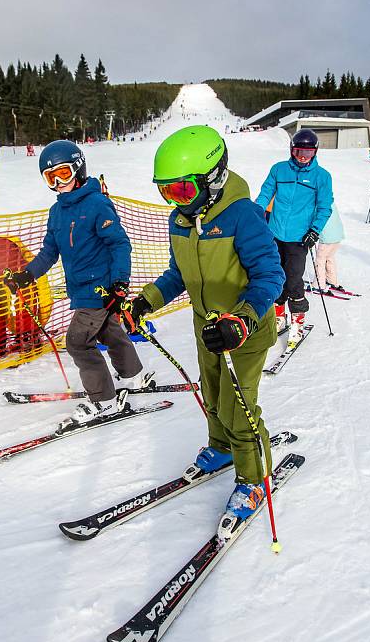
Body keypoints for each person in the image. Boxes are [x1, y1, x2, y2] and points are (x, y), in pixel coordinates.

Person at [122, 125, 285, 522]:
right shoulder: (180, 221)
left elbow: (271, 275)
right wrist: (147, 301)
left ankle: (252, 479)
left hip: (244, 330)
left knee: (237, 406)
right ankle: (222, 447)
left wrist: (243, 320)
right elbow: (178, 273)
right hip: (207, 328)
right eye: (167, 192)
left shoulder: (242, 216)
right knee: (211, 395)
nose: (176, 202)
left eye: (182, 191)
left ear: (213, 177)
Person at [2, 140, 145, 422]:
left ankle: (105, 401)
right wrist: (26, 275)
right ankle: (134, 377)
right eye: (50, 177)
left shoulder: (97, 204)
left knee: (78, 343)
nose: (58, 182)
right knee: (108, 332)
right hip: (81, 290)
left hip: (101, 289)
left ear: (78, 170)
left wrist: (120, 284)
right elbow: (49, 252)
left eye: (63, 174)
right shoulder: (57, 212)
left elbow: (119, 245)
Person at [255, 129, 333, 345]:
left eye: (308, 153)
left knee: (293, 279)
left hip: (300, 238)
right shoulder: (279, 170)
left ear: (315, 152)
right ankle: (279, 317)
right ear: (292, 150)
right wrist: (255, 216)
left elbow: (324, 207)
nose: (302, 157)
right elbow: (265, 194)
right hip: (275, 233)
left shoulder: (322, 177)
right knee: (274, 276)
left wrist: (315, 230)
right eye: (299, 151)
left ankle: (297, 321)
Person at [315, 202, 344, 292]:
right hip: (338, 235)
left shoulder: (317, 204)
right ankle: (332, 281)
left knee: (320, 260)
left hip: (327, 238)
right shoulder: (329, 201)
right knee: (329, 257)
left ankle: (319, 285)